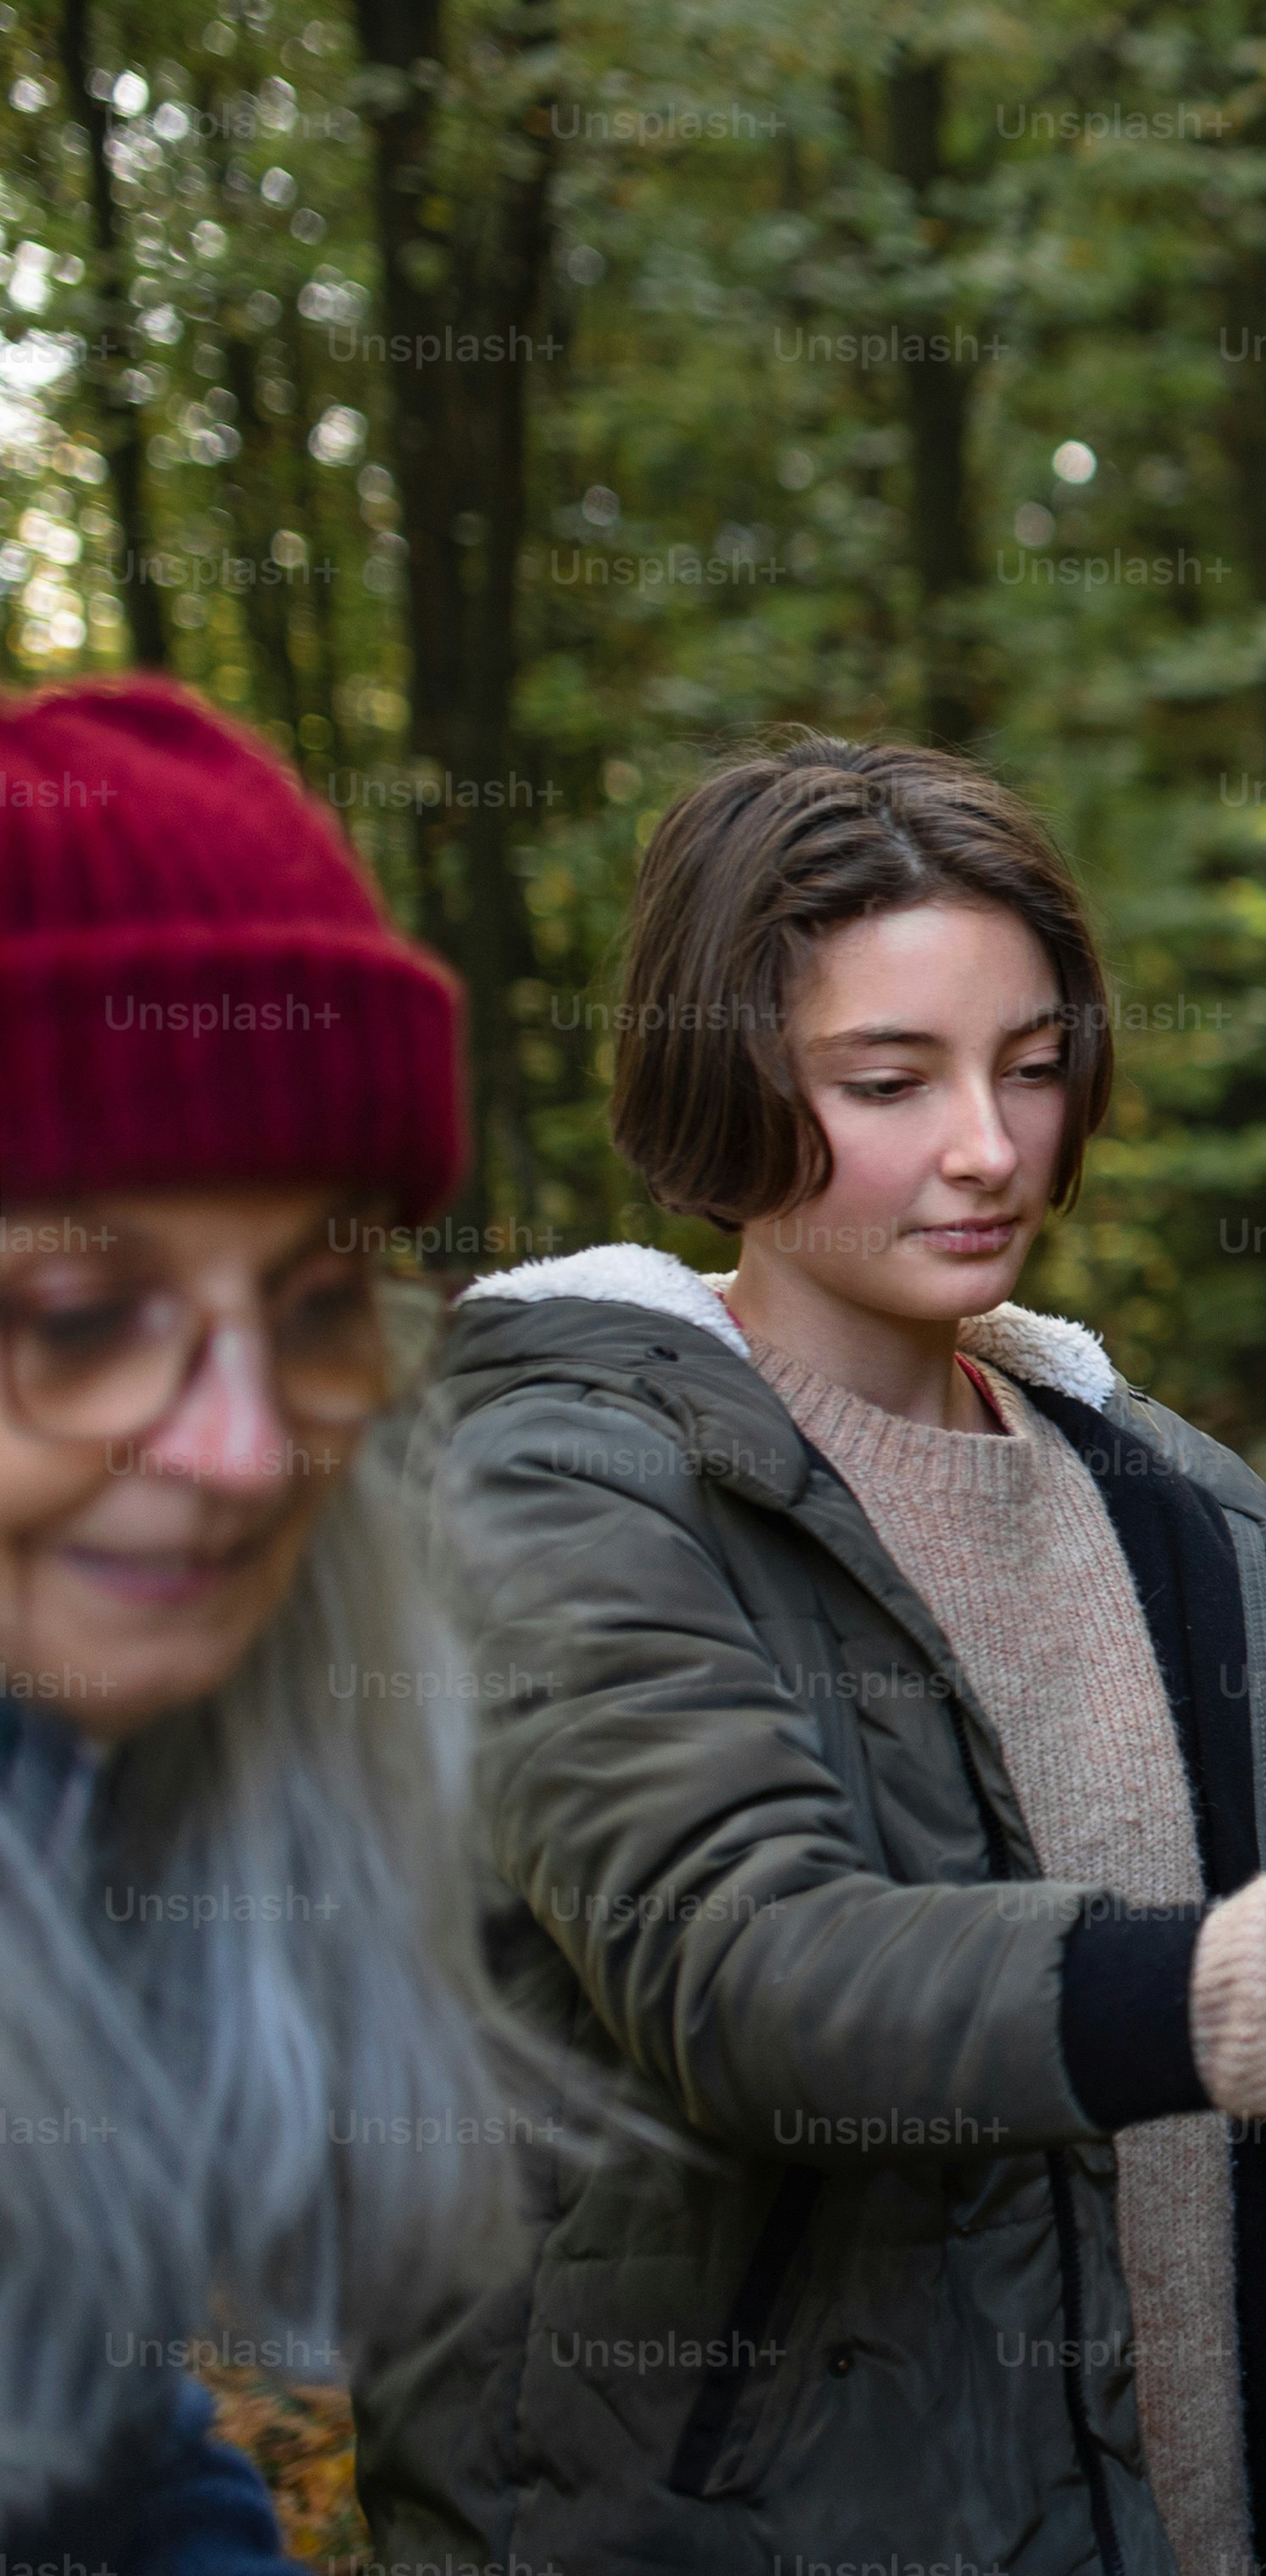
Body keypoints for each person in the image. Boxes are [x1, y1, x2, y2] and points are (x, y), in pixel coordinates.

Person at [355, 736, 1266, 2576]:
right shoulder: (561, 1481)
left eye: (1033, 1065)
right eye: (889, 1080)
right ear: (725, 1079)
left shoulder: (1185, 1513)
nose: (988, 1146)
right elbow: (752, 1978)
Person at [0, 677, 536, 2571]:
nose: (241, 1451)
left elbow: (94, 2440)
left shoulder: (100, 1797)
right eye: (79, 1319)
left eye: (313, 1307)